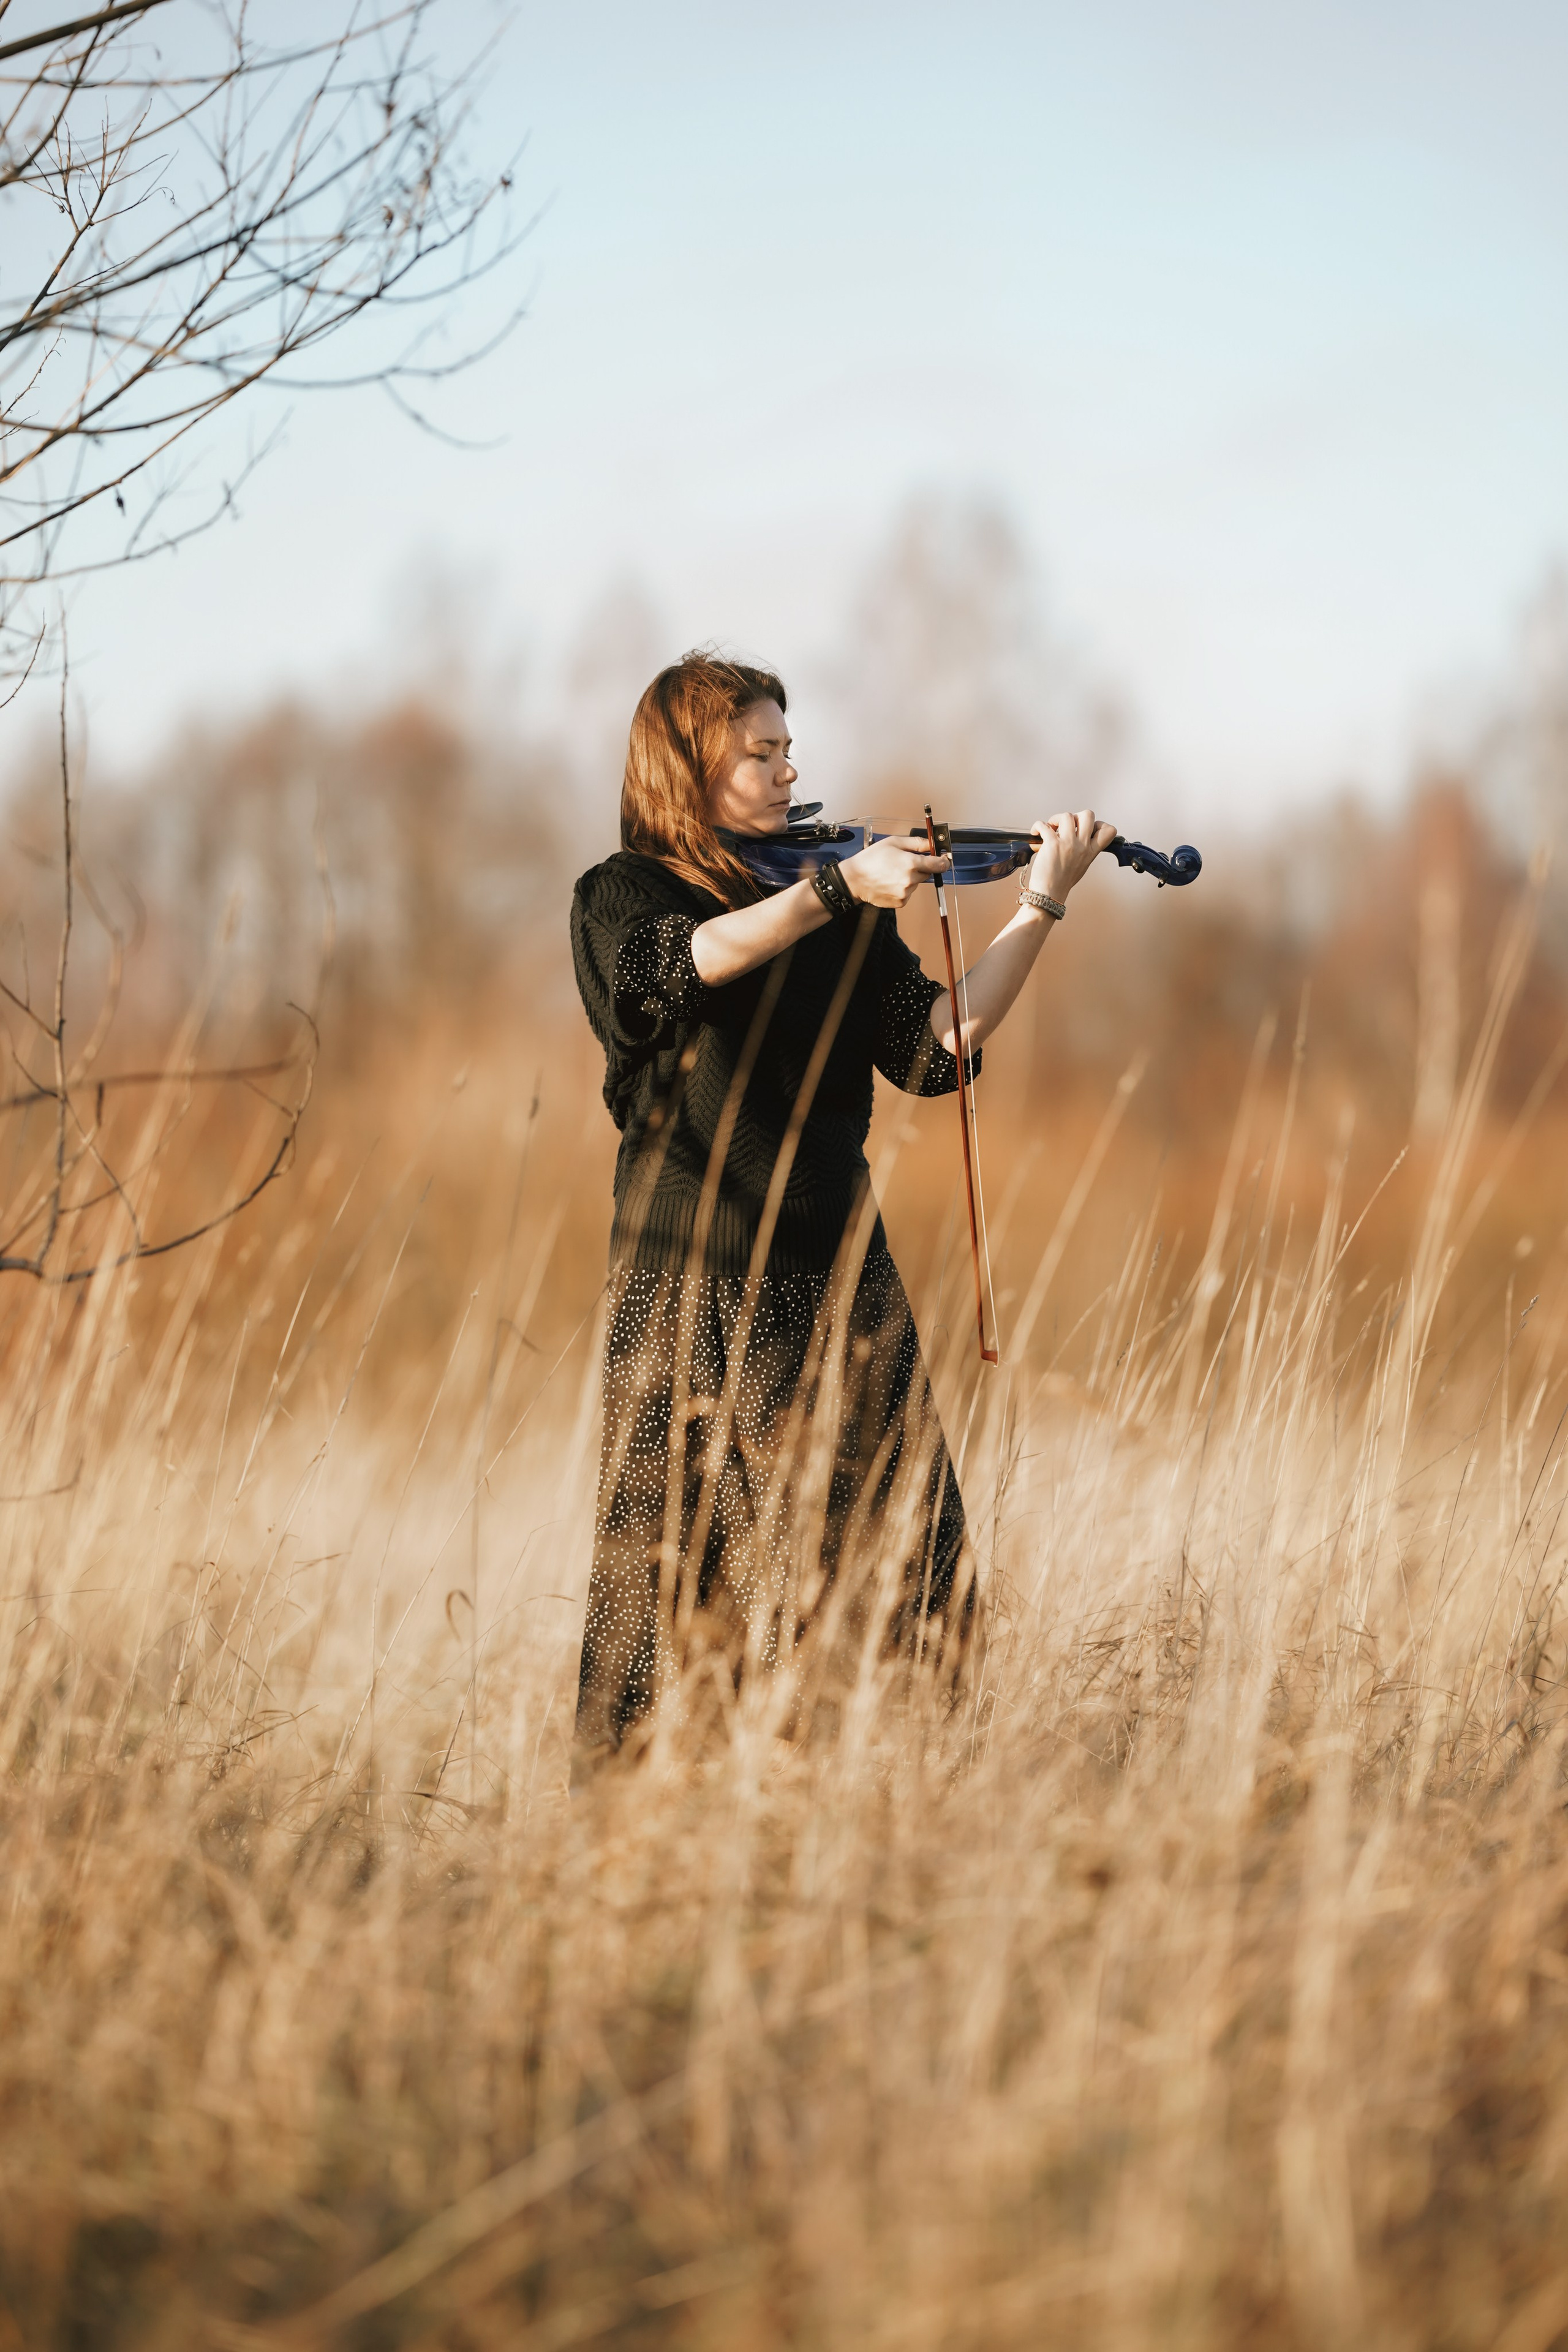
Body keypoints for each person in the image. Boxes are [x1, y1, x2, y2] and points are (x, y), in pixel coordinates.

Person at [570, 651, 1113, 1757]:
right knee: (666, 1583)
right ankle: (630, 1826)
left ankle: (879, 1795)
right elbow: (680, 968)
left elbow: (935, 1048)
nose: (785, 769)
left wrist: (1040, 904)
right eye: (757, 753)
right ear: (687, 768)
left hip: (836, 1267)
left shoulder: (847, 902)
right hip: (696, 1276)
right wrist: (830, 892)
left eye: (787, 749)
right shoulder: (626, 896)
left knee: (916, 1561)